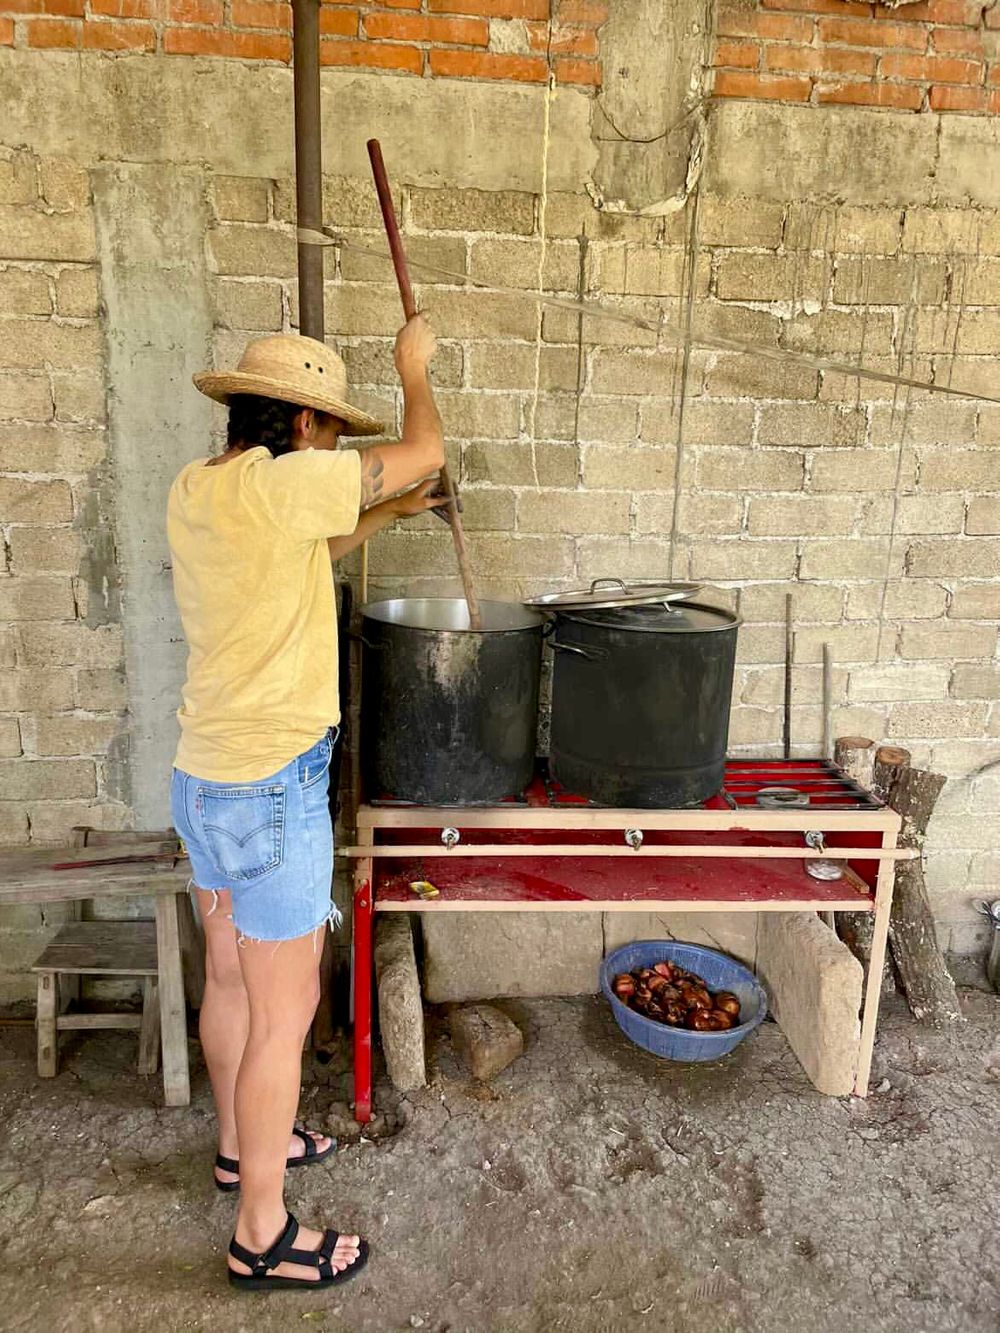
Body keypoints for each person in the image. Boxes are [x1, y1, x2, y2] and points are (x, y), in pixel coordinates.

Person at [167, 316, 446, 1291]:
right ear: (299, 422)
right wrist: (412, 368)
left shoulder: (203, 489)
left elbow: (308, 546)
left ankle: (241, 1148)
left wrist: (389, 514)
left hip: (203, 781)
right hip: (272, 791)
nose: (332, 445)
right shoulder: (285, 483)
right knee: (284, 1018)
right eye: (328, 429)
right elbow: (425, 448)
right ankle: (262, 1233)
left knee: (229, 980)